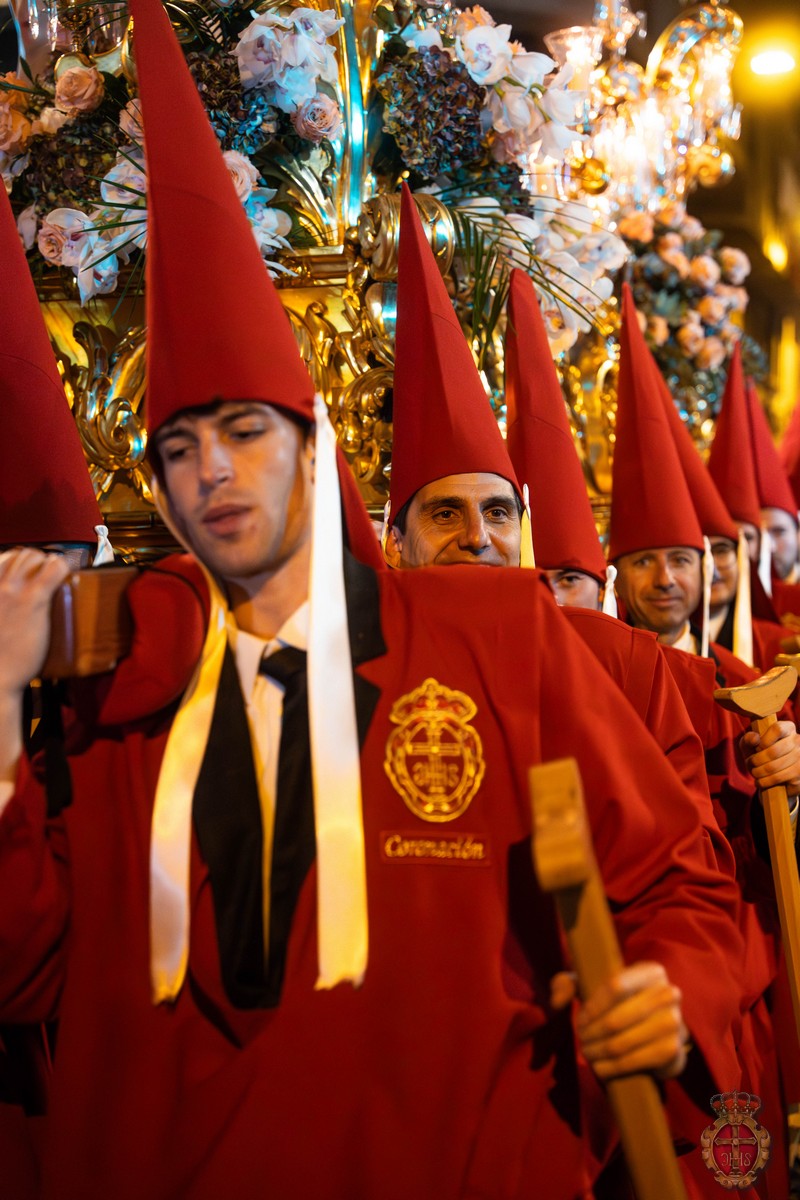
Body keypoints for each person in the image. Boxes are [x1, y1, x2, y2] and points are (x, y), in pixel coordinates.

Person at [0, 4, 749, 1198]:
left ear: (317, 454)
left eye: (246, 434)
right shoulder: (123, 693)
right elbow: (27, 974)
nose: (214, 473)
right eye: (180, 450)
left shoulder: (493, 635)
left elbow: (677, 886)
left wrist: (667, 987)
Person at [610, 289, 800, 1198]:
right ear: (616, 573)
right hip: (632, 970)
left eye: (682, 558)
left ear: (710, 565)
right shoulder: (593, 681)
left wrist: (794, 783)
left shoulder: (751, 686)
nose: (665, 577)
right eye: (643, 559)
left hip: (743, 970)